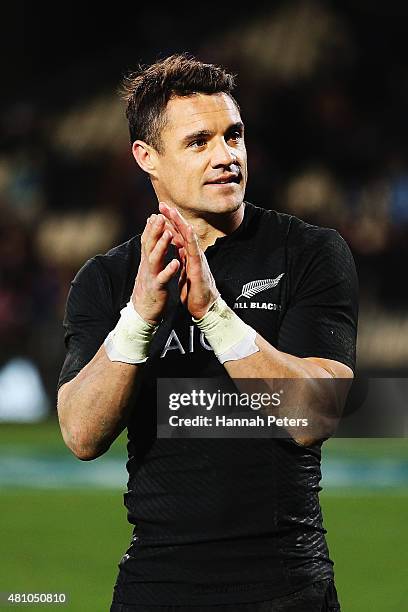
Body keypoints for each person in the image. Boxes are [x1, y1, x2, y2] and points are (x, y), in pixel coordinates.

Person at [57, 54, 358, 611]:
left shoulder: (311, 252)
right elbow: (81, 435)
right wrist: (140, 318)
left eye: (234, 135)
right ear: (147, 158)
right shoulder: (108, 279)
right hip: (156, 586)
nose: (227, 156)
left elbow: (315, 417)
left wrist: (216, 315)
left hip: (286, 585)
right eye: (199, 142)